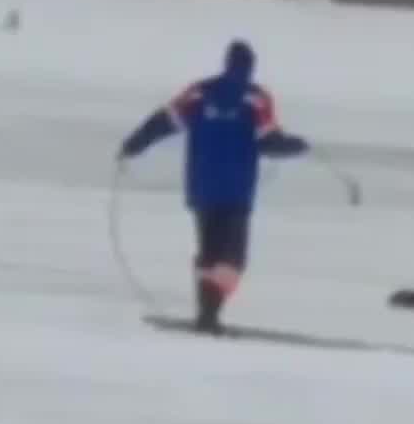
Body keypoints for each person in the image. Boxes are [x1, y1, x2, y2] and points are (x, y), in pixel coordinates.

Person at [117, 39, 310, 330]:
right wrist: (297, 146)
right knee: (232, 258)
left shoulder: (199, 93)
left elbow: (162, 122)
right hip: (236, 190)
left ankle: (206, 313)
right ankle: (210, 315)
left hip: (202, 186)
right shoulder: (256, 98)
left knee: (208, 252)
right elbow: (269, 141)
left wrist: (133, 144)